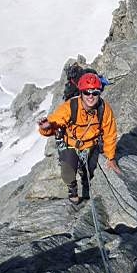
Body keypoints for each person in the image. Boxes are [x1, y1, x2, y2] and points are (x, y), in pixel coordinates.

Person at [38, 73, 120, 204]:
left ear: (100, 92)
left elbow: (110, 133)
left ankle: (85, 181)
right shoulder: (70, 107)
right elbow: (55, 123)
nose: (91, 96)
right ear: (81, 92)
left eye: (95, 92)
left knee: (90, 171)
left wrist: (111, 158)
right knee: (67, 173)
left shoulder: (104, 109)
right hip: (71, 144)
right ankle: (72, 188)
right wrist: (46, 127)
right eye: (87, 92)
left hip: (91, 145)